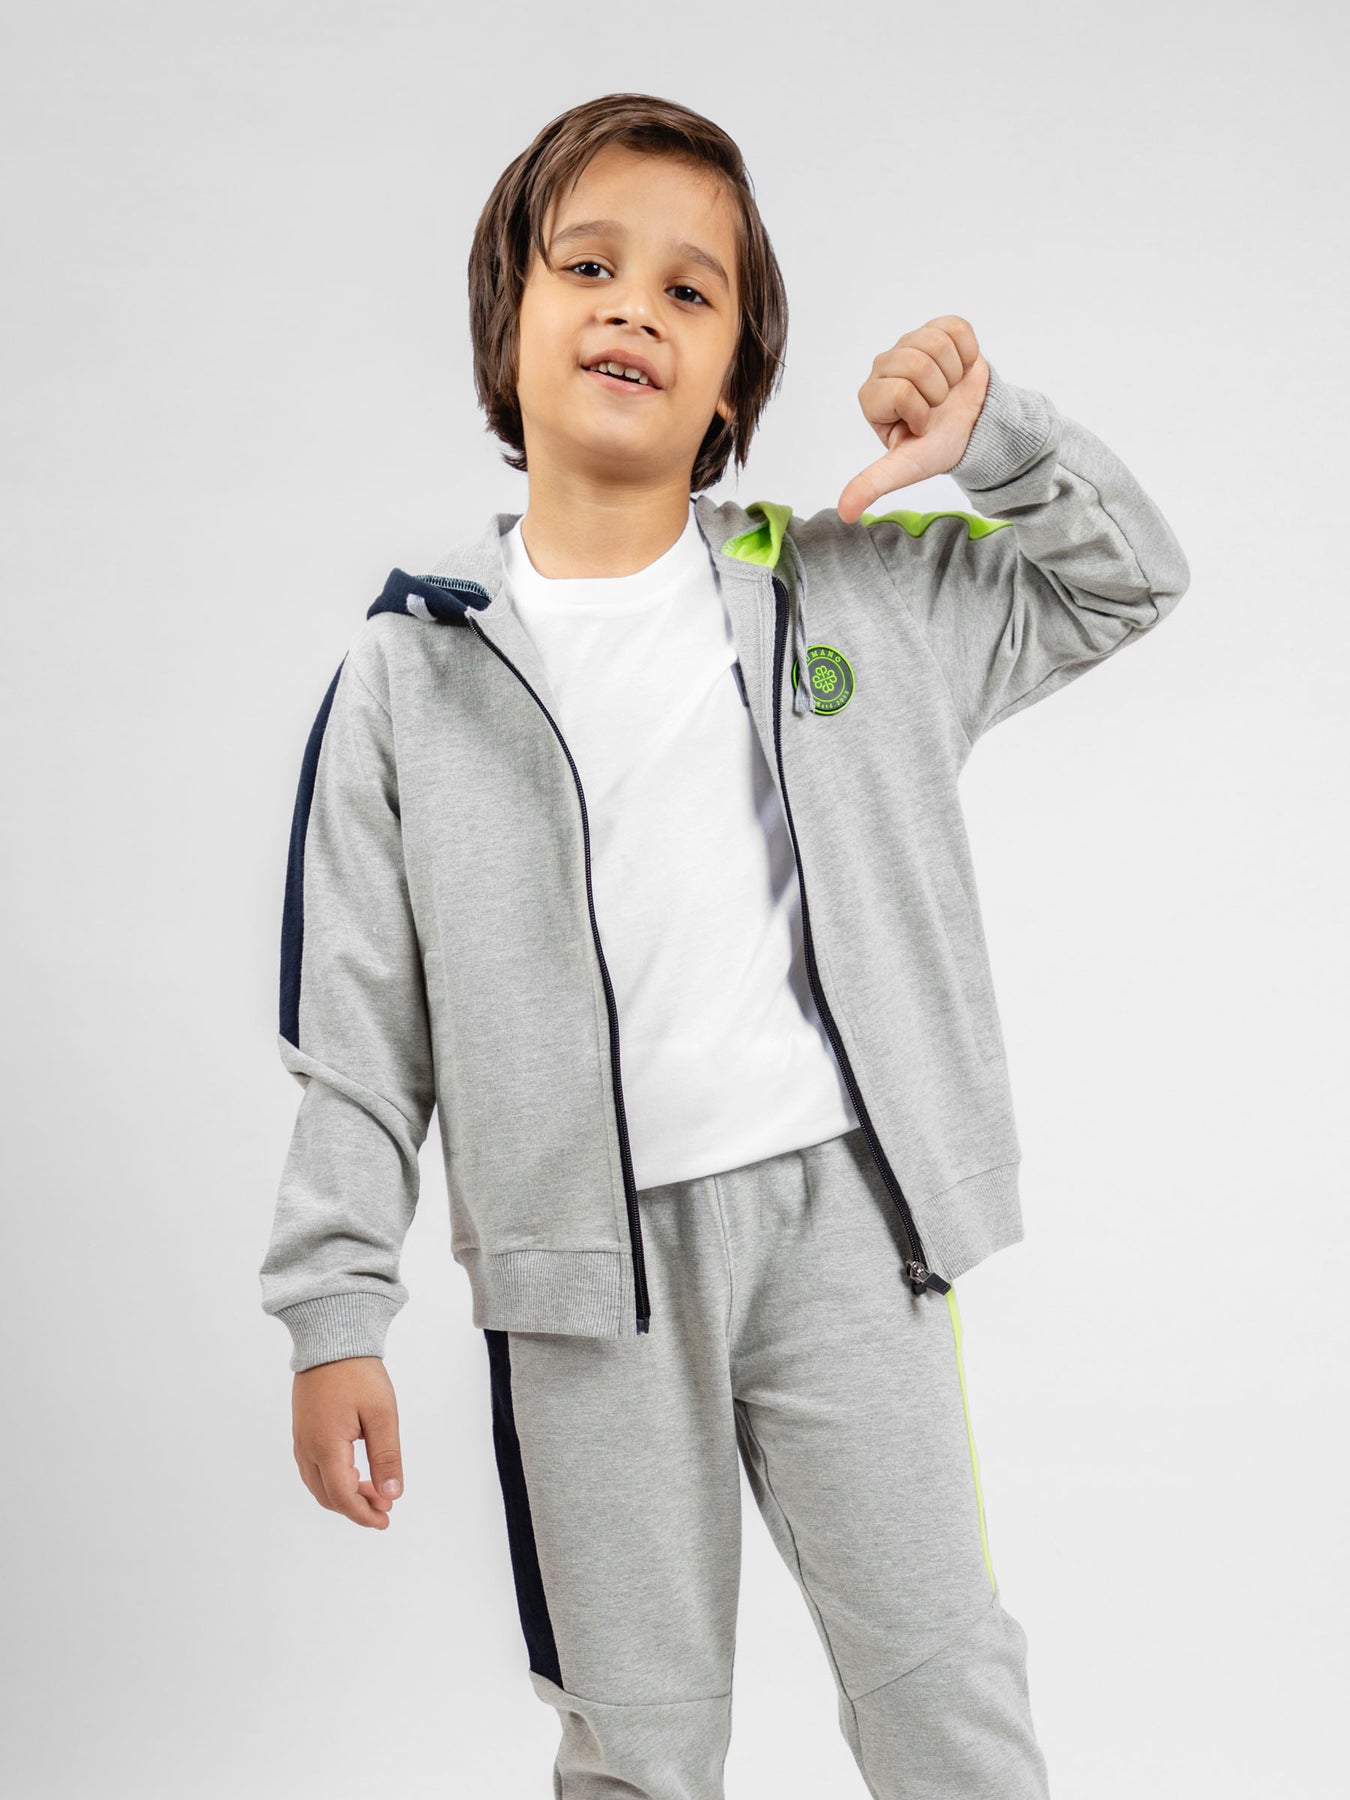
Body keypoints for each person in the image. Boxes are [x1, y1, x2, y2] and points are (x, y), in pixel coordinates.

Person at [258, 90, 1188, 1799]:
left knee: (943, 1690)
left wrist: (993, 444)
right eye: (588, 267)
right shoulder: (410, 670)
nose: (634, 307)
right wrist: (334, 1313)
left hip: (847, 1234)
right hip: (583, 1287)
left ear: (733, 382)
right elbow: (358, 1032)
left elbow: (1120, 583)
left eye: (689, 292)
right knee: (638, 1738)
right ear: (507, 317)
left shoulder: (848, 596)